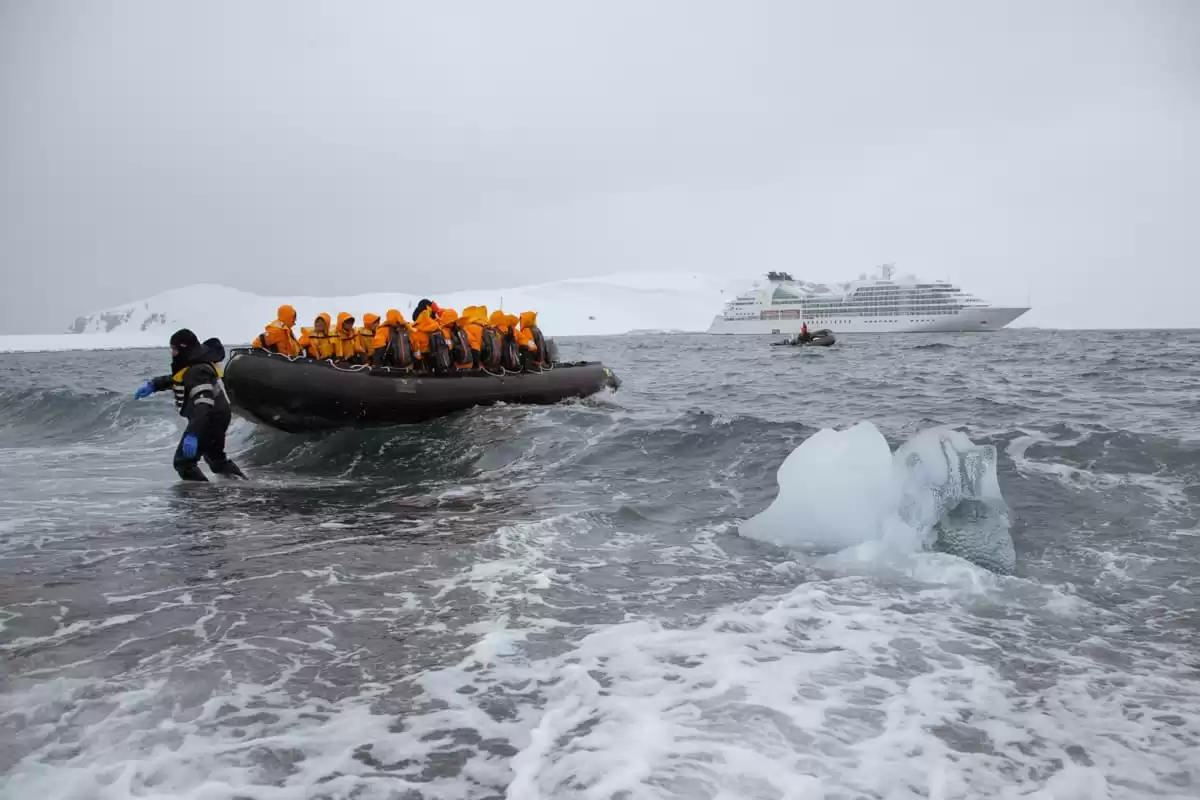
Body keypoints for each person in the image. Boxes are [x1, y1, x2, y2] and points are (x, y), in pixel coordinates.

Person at [133, 329, 245, 482]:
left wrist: (193, 433)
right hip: (219, 416)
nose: (172, 353)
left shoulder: (197, 371)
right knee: (216, 459)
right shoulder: (195, 365)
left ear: (184, 349)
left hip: (210, 418)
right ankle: (242, 484)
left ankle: (201, 495)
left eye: (175, 349)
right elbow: (180, 379)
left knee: (183, 463)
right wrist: (155, 384)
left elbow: (204, 404)